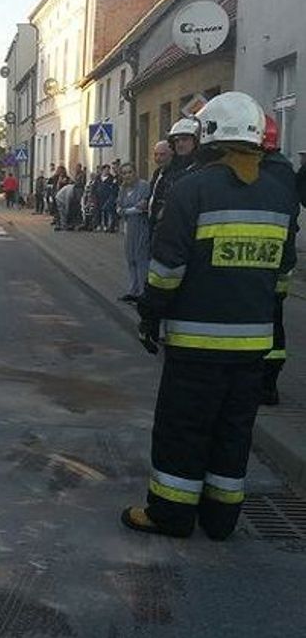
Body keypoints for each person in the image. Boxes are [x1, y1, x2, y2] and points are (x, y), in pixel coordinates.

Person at [126, 92, 299, 541]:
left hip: (196, 345)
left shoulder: (192, 189)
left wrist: (150, 313)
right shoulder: (280, 196)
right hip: (252, 347)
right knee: (232, 431)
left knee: (183, 429)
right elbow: (282, 273)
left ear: (210, 138)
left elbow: (166, 271)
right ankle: (221, 519)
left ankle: (170, 514)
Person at [258, 116, 299, 406]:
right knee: (274, 321)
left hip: (262, 261)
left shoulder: (260, 171)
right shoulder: (285, 169)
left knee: (261, 320)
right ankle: (269, 384)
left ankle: (262, 382)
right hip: (281, 260)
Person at [115, 162, 151, 303]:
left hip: (141, 226)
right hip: (128, 227)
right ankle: (133, 289)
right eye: (124, 173)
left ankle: (143, 291)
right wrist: (122, 210)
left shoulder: (143, 186)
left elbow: (142, 207)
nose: (127, 175)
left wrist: (125, 210)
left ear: (135, 173)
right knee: (130, 258)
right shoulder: (123, 189)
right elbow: (118, 205)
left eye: (130, 172)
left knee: (141, 258)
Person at [146, 140, 176, 234]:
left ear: (171, 154)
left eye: (162, 154)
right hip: (153, 223)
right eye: (156, 155)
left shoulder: (174, 174)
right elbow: (153, 193)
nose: (158, 158)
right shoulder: (157, 173)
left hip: (166, 226)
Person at [97, 164, 119, 232]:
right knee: (98, 211)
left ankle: (107, 225)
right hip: (99, 196)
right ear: (103, 170)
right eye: (106, 170)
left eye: (108, 170)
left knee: (107, 211)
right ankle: (99, 224)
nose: (107, 171)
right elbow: (94, 186)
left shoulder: (112, 178)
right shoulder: (98, 178)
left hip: (108, 197)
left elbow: (114, 187)